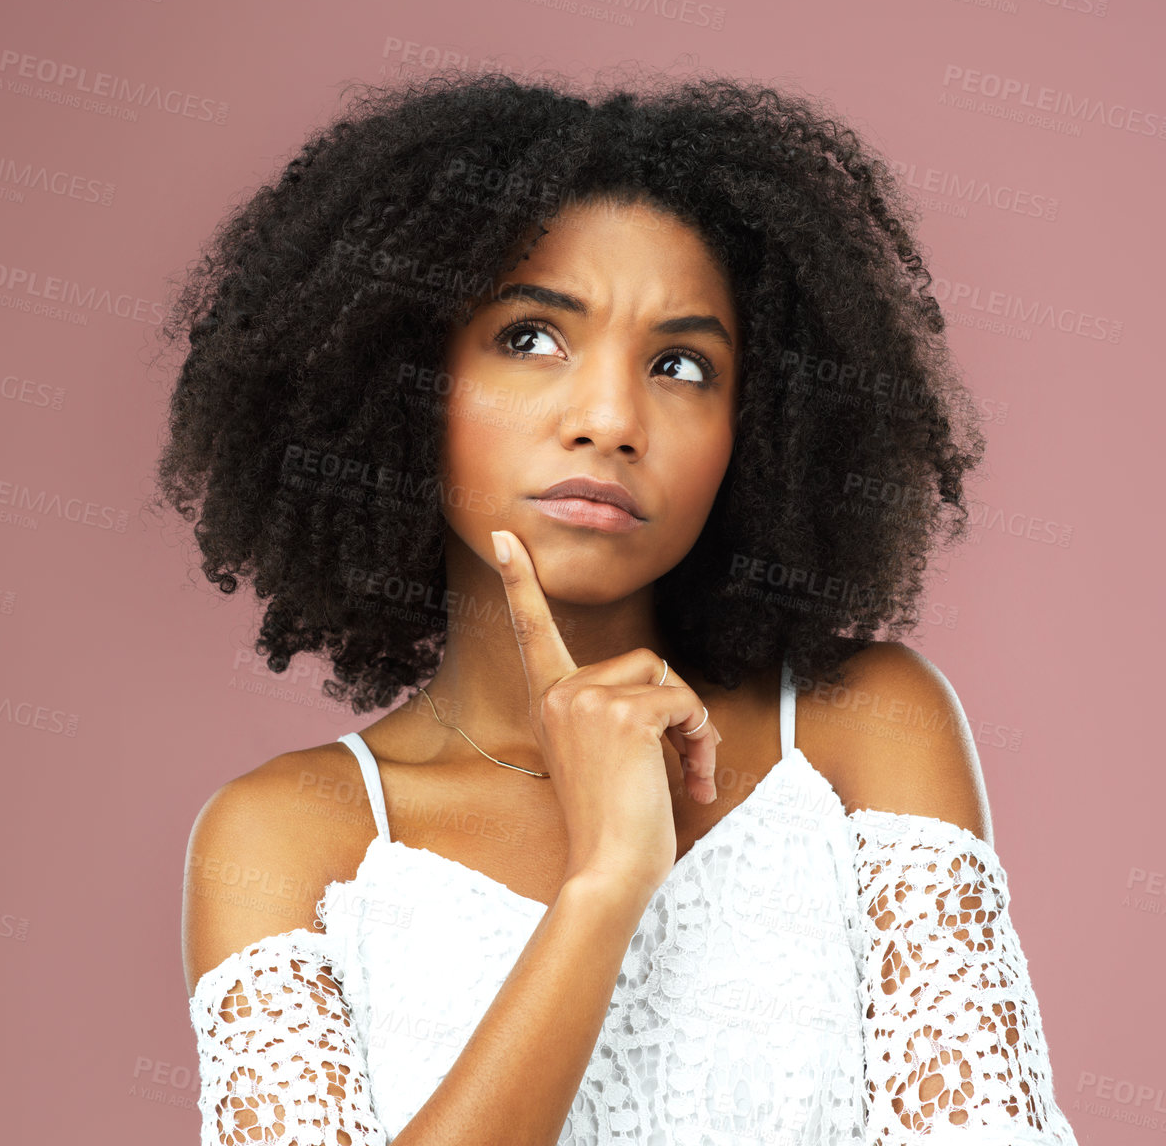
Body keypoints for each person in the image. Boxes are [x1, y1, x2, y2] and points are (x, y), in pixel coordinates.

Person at [150, 67, 1078, 1145]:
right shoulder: (288, 840)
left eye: (681, 364)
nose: (609, 417)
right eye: (533, 338)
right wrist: (604, 883)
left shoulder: (860, 729)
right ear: (405, 376)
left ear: (758, 431)